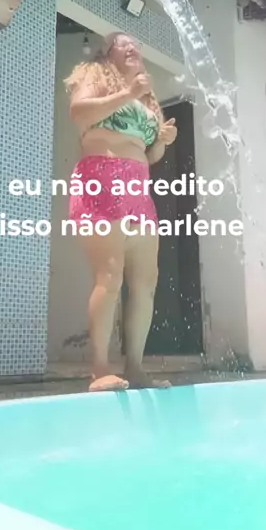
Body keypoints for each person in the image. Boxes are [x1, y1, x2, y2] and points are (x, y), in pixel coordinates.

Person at [64, 32, 178, 392]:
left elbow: (150, 154)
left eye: (136, 46)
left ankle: (136, 367)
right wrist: (128, 93)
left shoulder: (148, 98)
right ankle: (99, 370)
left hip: (137, 190)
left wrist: (161, 141)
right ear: (107, 53)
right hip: (101, 178)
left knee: (146, 282)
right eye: (123, 44)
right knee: (109, 276)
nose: (133, 48)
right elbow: (79, 112)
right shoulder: (94, 75)